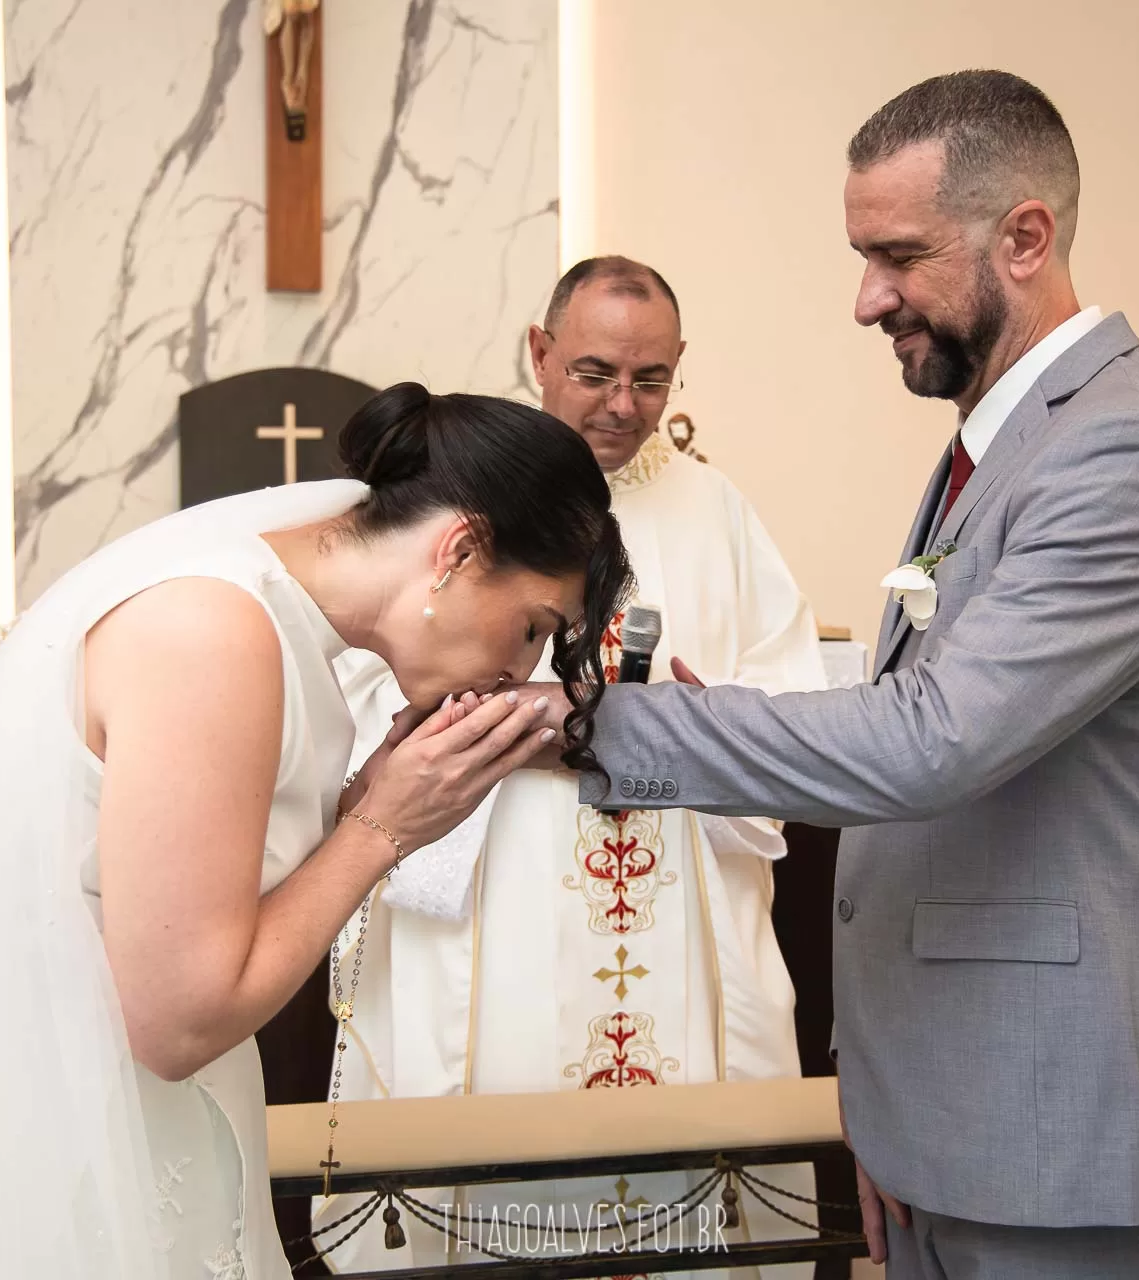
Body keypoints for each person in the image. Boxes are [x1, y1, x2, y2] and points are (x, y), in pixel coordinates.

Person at [520, 71, 1139, 1278]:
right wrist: (895, 1096)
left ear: (1025, 237)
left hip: (1064, 1116)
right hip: (954, 1092)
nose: (867, 298)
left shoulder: (1133, 447)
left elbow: (932, 738)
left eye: (898, 256)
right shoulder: (999, 443)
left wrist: (595, 723)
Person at [0, 385, 633, 1279]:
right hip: (77, 1128)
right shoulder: (213, 632)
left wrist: (358, 808)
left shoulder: (259, 610)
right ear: (458, 550)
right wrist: (382, 829)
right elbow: (177, 1023)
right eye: (533, 627)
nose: (518, 670)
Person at [318, 258, 827, 1275]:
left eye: (650, 379)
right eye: (594, 373)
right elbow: (360, 677)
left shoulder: (719, 512)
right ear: (540, 352)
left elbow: (791, 711)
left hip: (674, 891)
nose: (623, 405)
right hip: (497, 881)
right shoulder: (456, 495)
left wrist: (689, 720)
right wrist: (502, 717)